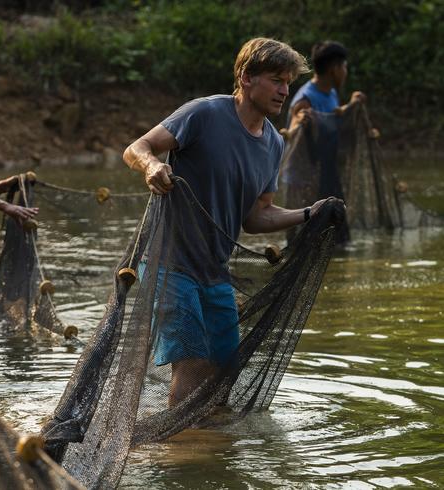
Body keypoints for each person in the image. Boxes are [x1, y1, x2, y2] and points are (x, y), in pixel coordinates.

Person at [123, 37, 332, 407]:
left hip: (214, 272)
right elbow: (136, 148)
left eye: (288, 82)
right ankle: (182, 457)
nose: (285, 91)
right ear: (246, 77)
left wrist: (308, 214)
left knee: (223, 369)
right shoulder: (203, 114)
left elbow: (257, 216)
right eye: (276, 80)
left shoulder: (273, 143)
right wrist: (153, 166)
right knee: (193, 365)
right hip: (169, 264)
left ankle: (212, 450)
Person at [286, 40, 366, 133]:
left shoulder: (331, 92)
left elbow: (331, 118)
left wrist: (352, 105)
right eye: (344, 67)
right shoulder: (305, 102)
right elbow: (292, 136)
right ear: (335, 69)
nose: (345, 72)